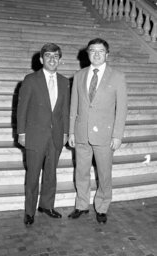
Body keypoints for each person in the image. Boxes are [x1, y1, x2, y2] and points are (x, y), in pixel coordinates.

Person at [68, 38, 127, 224]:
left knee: (104, 173)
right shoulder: (79, 75)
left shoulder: (117, 76)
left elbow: (122, 108)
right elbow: (74, 106)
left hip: (105, 135)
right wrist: (71, 132)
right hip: (81, 133)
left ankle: (102, 207)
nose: (96, 54)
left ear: (107, 54)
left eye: (100, 51)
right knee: (81, 171)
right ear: (87, 53)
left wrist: (117, 135)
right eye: (92, 50)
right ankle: (81, 205)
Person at [17, 43, 70, 225]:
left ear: (60, 60)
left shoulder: (64, 82)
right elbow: (21, 109)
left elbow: (65, 111)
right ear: (41, 59)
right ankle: (29, 211)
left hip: (55, 136)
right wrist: (21, 133)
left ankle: (46, 205)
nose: (52, 59)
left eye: (55, 56)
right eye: (48, 56)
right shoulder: (31, 79)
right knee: (33, 175)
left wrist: (65, 133)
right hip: (35, 136)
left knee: (51, 173)